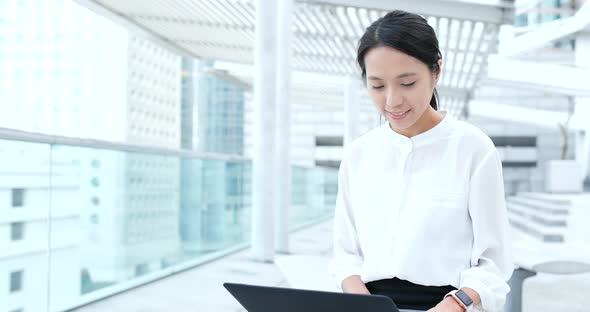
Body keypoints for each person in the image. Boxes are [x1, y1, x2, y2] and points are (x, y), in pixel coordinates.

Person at [329, 10, 513, 312]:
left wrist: (454, 305)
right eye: (377, 86)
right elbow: (345, 254)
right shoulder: (358, 155)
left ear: (436, 71)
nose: (392, 101)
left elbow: (494, 262)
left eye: (407, 83)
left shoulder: (473, 149)